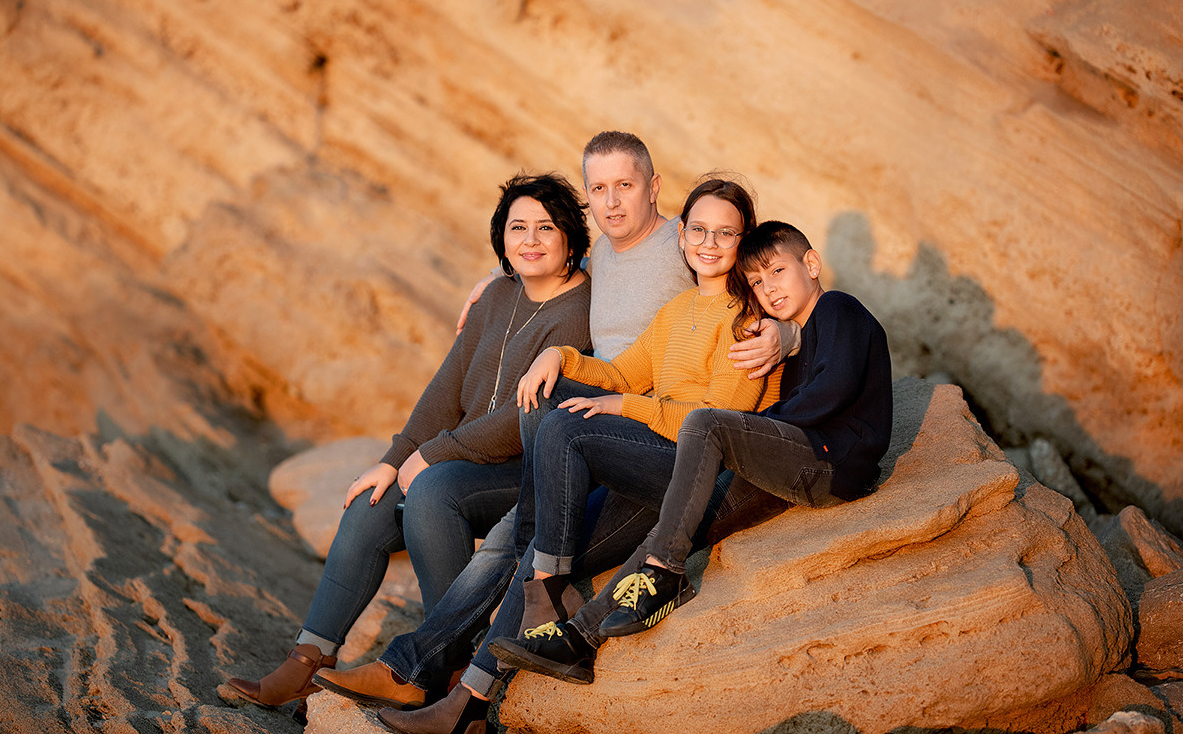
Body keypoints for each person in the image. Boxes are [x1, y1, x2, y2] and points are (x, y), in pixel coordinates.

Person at [309, 136, 794, 711]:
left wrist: (787, 332)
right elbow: (579, 297)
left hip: (655, 446)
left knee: (523, 519)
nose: (613, 202)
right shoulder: (628, 273)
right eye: (599, 189)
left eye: (627, 186)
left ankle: (509, 613)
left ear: (656, 189)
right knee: (506, 529)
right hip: (615, 432)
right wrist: (531, 315)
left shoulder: (695, 264)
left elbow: (775, 287)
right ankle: (428, 676)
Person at [221, 172, 593, 713]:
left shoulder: (579, 312)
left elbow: (522, 418)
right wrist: (393, 460)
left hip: (530, 470)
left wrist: (433, 454)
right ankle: (308, 662)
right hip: (465, 462)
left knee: (432, 489)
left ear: (570, 241)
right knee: (372, 502)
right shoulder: (495, 295)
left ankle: (433, 665)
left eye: (545, 228)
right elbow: (443, 392)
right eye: (517, 228)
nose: (530, 240)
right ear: (502, 239)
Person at [491, 221, 893, 686]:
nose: (769, 289)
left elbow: (832, 391)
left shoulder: (840, 308)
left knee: (706, 423)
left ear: (812, 264)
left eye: (778, 272)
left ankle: (668, 576)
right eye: (758, 283)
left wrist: (754, 430)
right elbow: (623, 371)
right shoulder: (789, 333)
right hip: (792, 466)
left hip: (830, 460)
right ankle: (580, 638)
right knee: (677, 520)